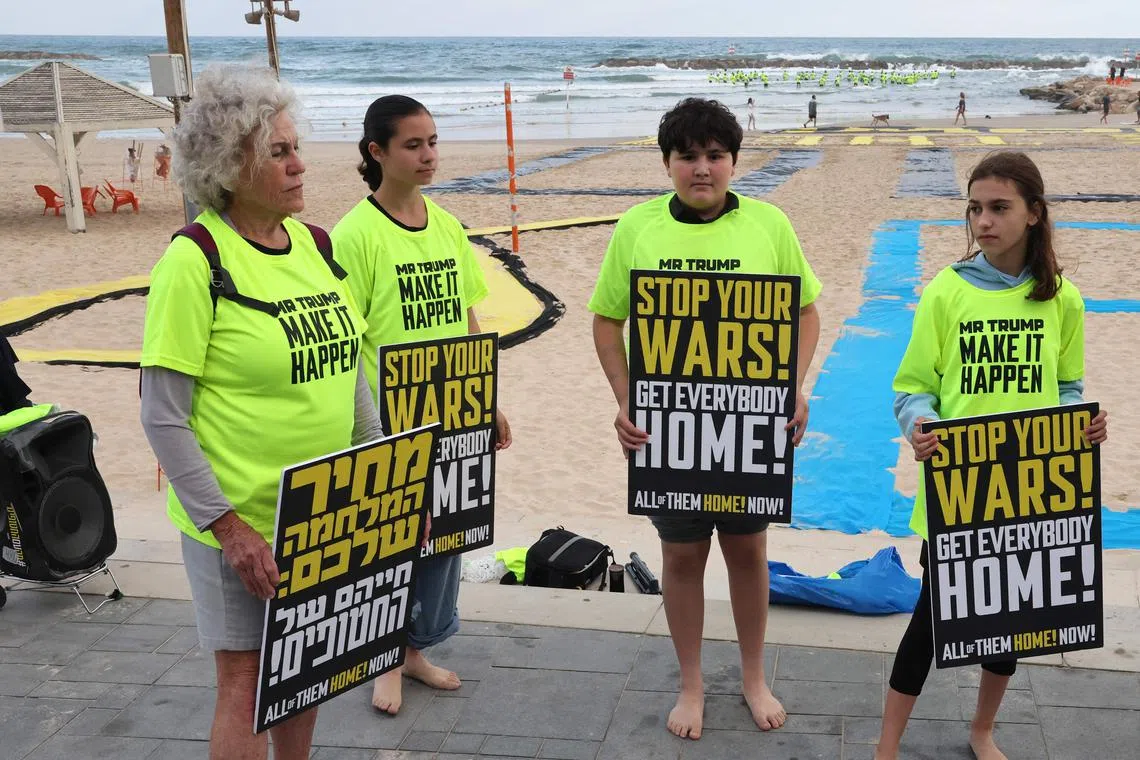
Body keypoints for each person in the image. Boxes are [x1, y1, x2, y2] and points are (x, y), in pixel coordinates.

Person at [140, 64, 385, 760]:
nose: (300, 164)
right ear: (229, 166)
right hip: (239, 523)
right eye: (279, 153)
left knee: (304, 674)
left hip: (323, 509)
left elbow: (350, 373)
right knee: (245, 682)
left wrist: (382, 483)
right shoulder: (195, 260)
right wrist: (230, 530)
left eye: (295, 146)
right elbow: (162, 415)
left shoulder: (315, 245)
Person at [588, 97, 821, 740]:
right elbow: (608, 322)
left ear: (734, 162)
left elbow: (805, 313)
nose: (702, 169)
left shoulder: (769, 224)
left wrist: (791, 386)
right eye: (687, 156)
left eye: (715, 156)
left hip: (749, 426)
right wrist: (625, 395)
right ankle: (691, 682)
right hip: (671, 430)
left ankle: (752, 677)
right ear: (666, 163)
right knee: (682, 556)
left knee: (748, 552)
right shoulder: (637, 227)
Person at [874, 151, 1109, 760]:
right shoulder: (946, 291)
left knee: (1010, 623)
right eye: (975, 208)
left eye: (999, 207)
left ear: (1034, 214)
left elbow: (1067, 388)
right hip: (957, 490)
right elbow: (913, 385)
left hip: (1031, 488)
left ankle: (982, 730)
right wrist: (919, 425)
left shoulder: (1063, 300)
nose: (983, 220)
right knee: (929, 620)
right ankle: (886, 745)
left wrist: (1081, 427)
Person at [331, 94, 513, 716]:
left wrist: (486, 399)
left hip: (451, 403)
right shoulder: (355, 234)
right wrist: (367, 427)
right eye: (414, 144)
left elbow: (467, 316)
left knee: (445, 539)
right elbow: (346, 339)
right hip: (387, 411)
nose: (429, 154)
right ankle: (381, 661)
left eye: (433, 141)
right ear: (377, 152)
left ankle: (416, 651)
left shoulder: (446, 224)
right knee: (391, 542)